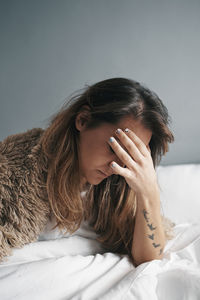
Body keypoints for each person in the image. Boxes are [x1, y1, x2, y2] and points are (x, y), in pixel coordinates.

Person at [0, 77, 174, 266]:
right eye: (114, 149)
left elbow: (148, 259)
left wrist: (148, 192)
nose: (117, 166)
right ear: (83, 120)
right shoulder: (15, 171)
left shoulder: (122, 183)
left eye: (129, 155)